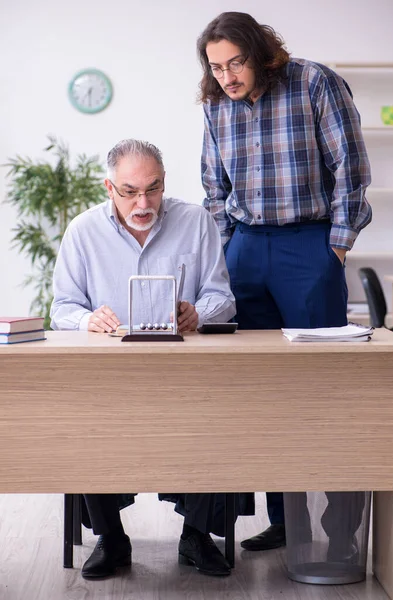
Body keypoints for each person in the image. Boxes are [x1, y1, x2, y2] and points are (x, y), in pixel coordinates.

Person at [198, 11, 372, 553]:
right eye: (216, 67)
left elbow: (352, 166)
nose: (227, 76)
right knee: (260, 389)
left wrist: (338, 244)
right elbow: (212, 183)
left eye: (236, 62)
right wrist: (227, 246)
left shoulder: (314, 82)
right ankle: (284, 519)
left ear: (259, 50)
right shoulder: (215, 106)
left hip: (309, 246)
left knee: (319, 389)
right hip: (245, 249)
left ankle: (338, 532)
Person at [50, 138, 252, 579]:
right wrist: (89, 320)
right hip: (111, 379)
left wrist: (199, 312)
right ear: (109, 188)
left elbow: (223, 297)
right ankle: (111, 538)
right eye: (130, 192)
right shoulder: (83, 231)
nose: (143, 203)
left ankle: (196, 535)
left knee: (220, 414)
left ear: (164, 183)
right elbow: (62, 308)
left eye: (153, 189)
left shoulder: (196, 222)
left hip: (186, 374)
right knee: (83, 419)